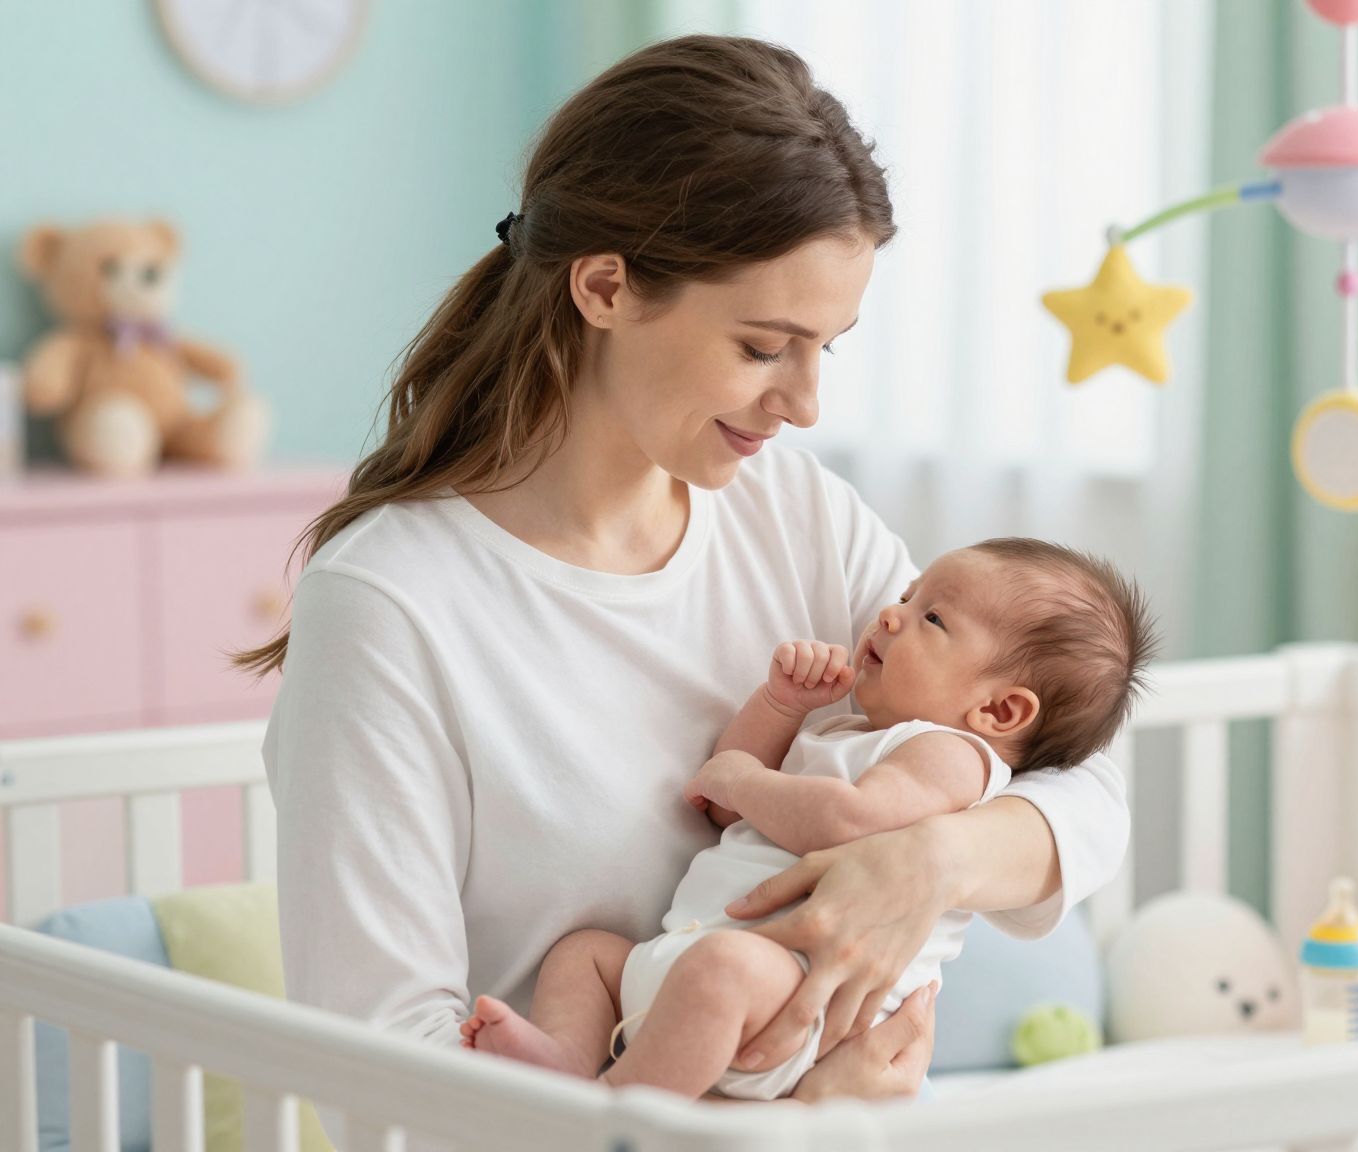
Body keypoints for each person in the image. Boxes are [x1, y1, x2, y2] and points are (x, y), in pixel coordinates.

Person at [245, 36, 1130, 1103]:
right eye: (764, 347)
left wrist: (930, 864)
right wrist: (785, 1115)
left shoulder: (797, 516)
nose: (804, 404)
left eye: (826, 349)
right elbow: (376, 1063)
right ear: (606, 287)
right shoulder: (393, 604)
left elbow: (1075, 781)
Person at [462, 541, 1156, 1100]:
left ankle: (613, 1119)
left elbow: (849, 823)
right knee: (582, 954)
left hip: (790, 1004)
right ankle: (565, 1067)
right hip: (690, 958)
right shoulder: (853, 730)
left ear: (999, 713)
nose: (891, 613)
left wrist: (748, 779)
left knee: (720, 973)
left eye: (932, 619)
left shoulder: (952, 757)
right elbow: (724, 800)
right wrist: (780, 706)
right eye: (909, 596)